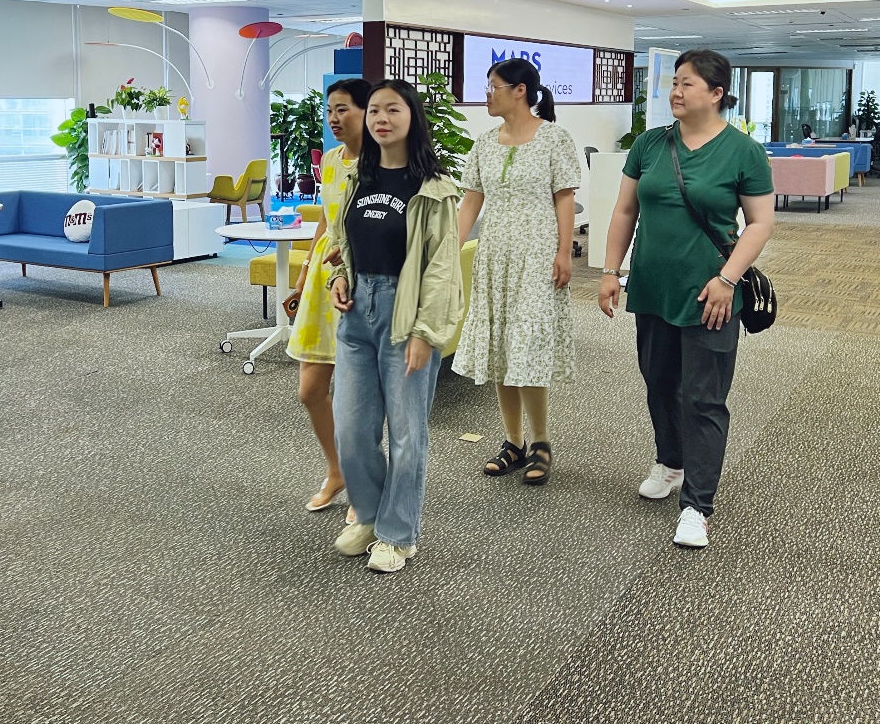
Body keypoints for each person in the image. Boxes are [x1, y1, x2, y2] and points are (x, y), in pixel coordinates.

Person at [598, 49, 774, 549]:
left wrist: (728, 279)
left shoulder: (743, 152)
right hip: (653, 286)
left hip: (712, 294)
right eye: (674, 82)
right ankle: (670, 462)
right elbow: (624, 210)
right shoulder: (651, 144)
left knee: (703, 399)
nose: (675, 92)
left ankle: (698, 505)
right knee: (659, 383)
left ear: (717, 94)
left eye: (687, 84)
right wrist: (610, 271)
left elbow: (760, 223)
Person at [326, 79, 463, 574]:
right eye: (375, 111)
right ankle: (368, 514)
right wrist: (340, 278)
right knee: (351, 429)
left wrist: (427, 332)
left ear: (412, 118)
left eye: (393, 110)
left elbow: (443, 267)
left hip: (406, 314)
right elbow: (343, 241)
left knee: (407, 434)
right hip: (357, 314)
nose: (381, 119)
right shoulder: (358, 178)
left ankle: (398, 533)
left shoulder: (433, 189)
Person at [453, 58, 580, 485]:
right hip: (495, 256)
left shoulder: (554, 138)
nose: (487, 94)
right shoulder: (485, 143)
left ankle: (541, 441)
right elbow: (471, 202)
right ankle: (513, 441)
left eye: (494, 86)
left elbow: (564, 198)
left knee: (527, 346)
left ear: (520, 90)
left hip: (537, 256)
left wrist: (564, 252)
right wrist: (450, 250)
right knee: (501, 346)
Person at [284, 78, 370, 518]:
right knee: (310, 390)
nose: (334, 119)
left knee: (359, 398)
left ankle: (363, 482)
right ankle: (336, 471)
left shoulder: (382, 163)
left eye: (343, 109)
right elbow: (326, 220)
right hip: (324, 274)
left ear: (367, 112)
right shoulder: (333, 161)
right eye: (330, 110)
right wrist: (303, 273)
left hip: (362, 278)